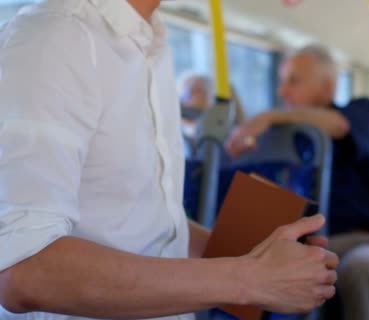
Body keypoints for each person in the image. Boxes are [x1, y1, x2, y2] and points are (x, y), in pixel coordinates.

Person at [0, 1, 339, 319]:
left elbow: (146, 220)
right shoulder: (55, 37)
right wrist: (248, 277)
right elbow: (24, 271)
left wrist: (255, 257)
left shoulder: (152, 45)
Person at [226, 44, 369, 320]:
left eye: (293, 81)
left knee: (363, 268)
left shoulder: (361, 112)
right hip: (298, 246)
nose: (282, 91)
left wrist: (270, 116)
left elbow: (339, 127)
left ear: (327, 86)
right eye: (282, 81)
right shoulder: (279, 140)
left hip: (361, 241)